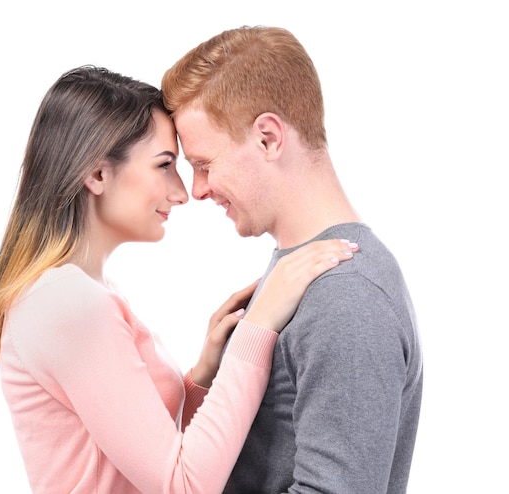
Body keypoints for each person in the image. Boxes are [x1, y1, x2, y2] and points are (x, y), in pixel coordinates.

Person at [0, 65, 358, 494]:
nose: (183, 191)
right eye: (165, 165)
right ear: (97, 175)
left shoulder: (82, 293)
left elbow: (149, 456)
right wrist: (257, 327)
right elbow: (183, 485)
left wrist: (203, 376)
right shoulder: (66, 302)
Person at [161, 25, 422, 494]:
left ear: (268, 138)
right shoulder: (302, 276)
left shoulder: (347, 298)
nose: (197, 190)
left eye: (204, 164)